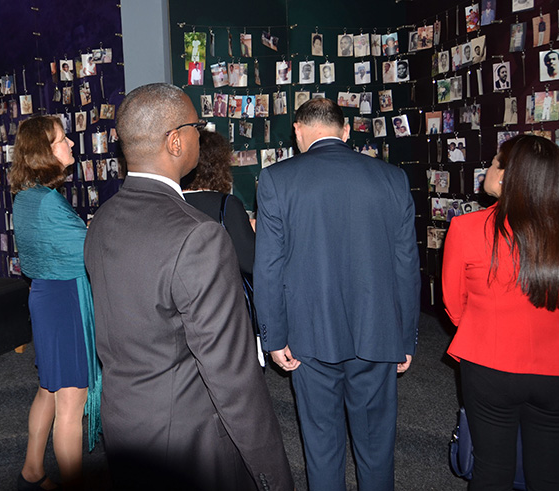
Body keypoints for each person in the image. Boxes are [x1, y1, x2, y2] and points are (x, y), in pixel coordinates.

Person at [84, 83, 292, 490]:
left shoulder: (102, 221)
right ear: (176, 141)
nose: (201, 133)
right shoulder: (199, 236)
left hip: (124, 426)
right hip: (191, 444)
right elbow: (233, 379)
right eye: (197, 125)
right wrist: (274, 477)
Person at [255, 98, 419, 491]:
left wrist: (273, 337)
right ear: (346, 132)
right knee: (377, 447)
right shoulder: (392, 178)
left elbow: (269, 268)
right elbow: (406, 265)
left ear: (298, 132)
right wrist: (406, 336)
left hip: (309, 335)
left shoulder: (277, 179)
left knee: (321, 445)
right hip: (378, 333)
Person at [442, 134, 559, 489]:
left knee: (491, 471)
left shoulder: (466, 228)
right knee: (551, 476)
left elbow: (455, 307)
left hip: (488, 366)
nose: (489, 167)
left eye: (496, 160)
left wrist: (486, 328)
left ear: (507, 175)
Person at [8, 116, 100, 490]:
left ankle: (32, 471)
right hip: (65, 302)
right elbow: (89, 252)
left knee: (49, 389)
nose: (71, 145)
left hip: (48, 297)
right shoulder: (46, 202)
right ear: (45, 152)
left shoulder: (27, 196)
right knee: (70, 405)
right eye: (63, 140)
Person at [181, 130, 255, 277]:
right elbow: (250, 262)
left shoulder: (166, 201)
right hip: (219, 294)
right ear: (218, 167)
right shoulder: (226, 205)